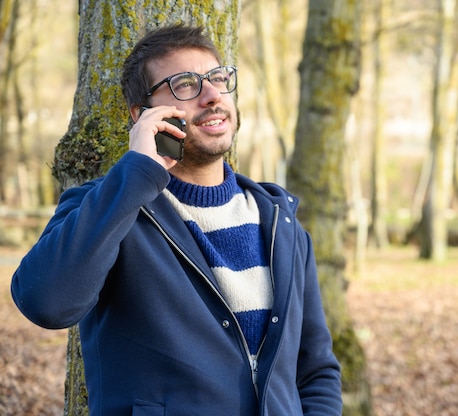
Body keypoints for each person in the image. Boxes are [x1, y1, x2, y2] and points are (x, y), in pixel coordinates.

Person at [11, 24, 342, 415]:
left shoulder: (280, 223)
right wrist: (135, 173)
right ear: (143, 115)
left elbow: (316, 371)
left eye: (218, 78)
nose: (213, 95)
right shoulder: (109, 209)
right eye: (186, 84)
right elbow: (46, 302)